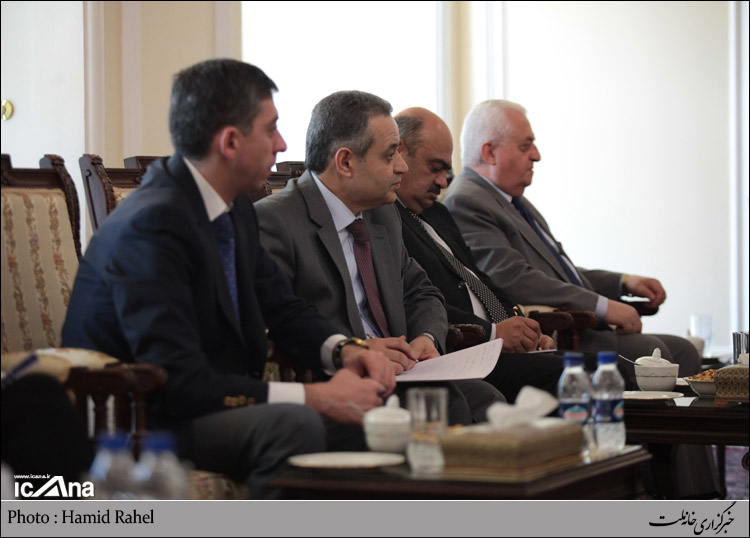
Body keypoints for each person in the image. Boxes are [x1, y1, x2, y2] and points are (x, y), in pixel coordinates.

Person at [61, 59, 396, 499]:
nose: (282, 144)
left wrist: (345, 350)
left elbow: (282, 306)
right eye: (271, 129)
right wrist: (315, 397)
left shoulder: (232, 207)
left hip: (209, 404)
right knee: (294, 423)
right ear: (231, 142)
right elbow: (178, 381)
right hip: (143, 420)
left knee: (375, 421)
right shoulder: (153, 225)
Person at [254, 91, 504, 429]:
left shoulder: (383, 214)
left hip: (404, 374)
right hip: (340, 384)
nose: (402, 166)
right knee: (454, 408)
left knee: (489, 401)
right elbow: (279, 322)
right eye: (390, 155)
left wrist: (426, 338)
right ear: (345, 162)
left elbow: (421, 292)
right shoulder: (274, 221)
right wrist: (357, 349)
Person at [443, 99, 701, 382]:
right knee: (654, 351)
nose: (537, 155)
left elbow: (558, 272)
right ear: (489, 152)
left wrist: (622, 283)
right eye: (525, 146)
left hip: (583, 330)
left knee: (684, 350)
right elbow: (513, 278)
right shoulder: (467, 201)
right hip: (560, 333)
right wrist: (603, 307)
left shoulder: (513, 201)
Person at [394, 107, 572, 403]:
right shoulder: (388, 222)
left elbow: (481, 280)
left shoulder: (438, 214)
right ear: (400, 154)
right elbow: (417, 301)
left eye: (446, 171)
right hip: (465, 353)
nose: (443, 182)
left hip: (500, 347)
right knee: (585, 372)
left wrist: (522, 327)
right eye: (435, 168)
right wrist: (492, 332)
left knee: (592, 366)